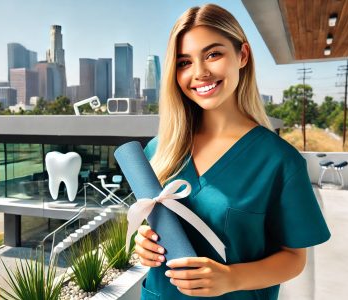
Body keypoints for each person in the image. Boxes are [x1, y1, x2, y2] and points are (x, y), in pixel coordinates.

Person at [134, 3, 331, 300]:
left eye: (213, 54)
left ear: (242, 55)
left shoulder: (279, 161)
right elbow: (160, 228)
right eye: (184, 62)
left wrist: (231, 278)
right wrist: (144, 243)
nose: (199, 72)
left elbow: (294, 258)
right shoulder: (158, 150)